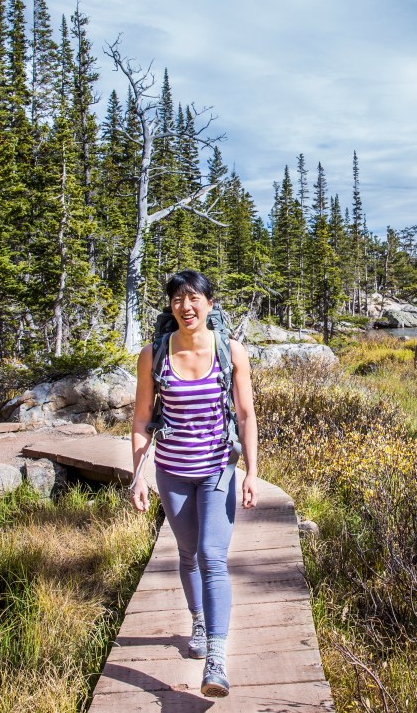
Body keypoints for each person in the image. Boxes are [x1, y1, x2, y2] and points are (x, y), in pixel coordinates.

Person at [130, 269, 258, 698]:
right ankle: (199, 620)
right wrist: (138, 476)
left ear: (209, 303)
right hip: (171, 471)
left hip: (218, 468)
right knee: (187, 553)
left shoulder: (230, 351)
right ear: (171, 307)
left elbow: (246, 415)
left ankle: (216, 660)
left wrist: (251, 472)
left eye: (193, 298)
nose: (186, 307)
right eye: (177, 300)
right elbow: (141, 420)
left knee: (211, 556)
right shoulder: (153, 355)